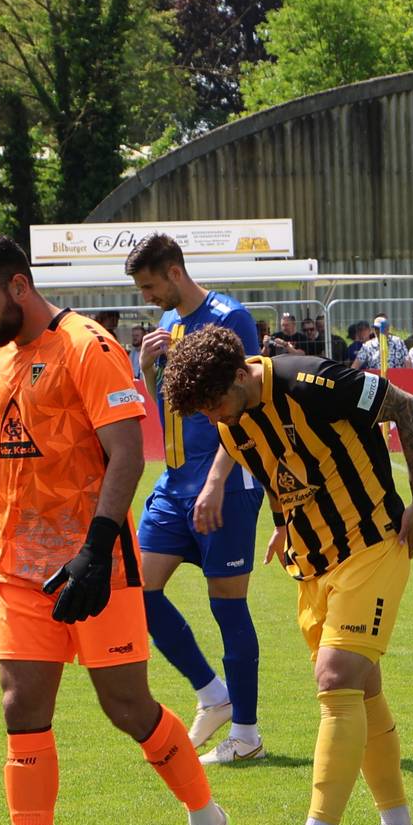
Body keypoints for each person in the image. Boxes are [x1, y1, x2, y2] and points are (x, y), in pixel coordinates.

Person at [0, 234, 227, 825]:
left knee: (127, 707)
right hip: (20, 569)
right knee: (22, 708)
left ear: (19, 286)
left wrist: (98, 550)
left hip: (95, 562)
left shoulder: (88, 346)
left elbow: (128, 453)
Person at [164, 328, 413, 825]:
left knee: (336, 679)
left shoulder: (310, 380)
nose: (215, 416)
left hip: (373, 541)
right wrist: (285, 522)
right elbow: (275, 469)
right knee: (364, 689)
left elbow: (406, 406)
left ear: (242, 374)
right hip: (312, 560)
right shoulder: (230, 417)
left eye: (216, 402)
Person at [123, 233, 270, 767]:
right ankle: (213, 694)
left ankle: (247, 733)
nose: (146, 297)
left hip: (225, 482)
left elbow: (249, 407)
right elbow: (170, 408)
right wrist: (145, 368)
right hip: (174, 481)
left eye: (149, 286)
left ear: (175, 272)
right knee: (136, 589)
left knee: (226, 604)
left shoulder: (230, 318)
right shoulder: (166, 327)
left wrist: (214, 481)